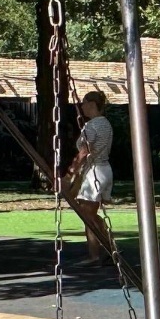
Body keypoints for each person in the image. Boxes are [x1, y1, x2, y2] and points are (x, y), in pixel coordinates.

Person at [61, 90, 117, 265]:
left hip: (95, 172)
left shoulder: (92, 125)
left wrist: (70, 173)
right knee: (89, 213)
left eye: (84, 103)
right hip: (103, 169)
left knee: (87, 214)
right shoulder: (105, 123)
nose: (81, 107)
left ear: (92, 105)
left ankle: (96, 254)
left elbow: (84, 151)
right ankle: (109, 246)